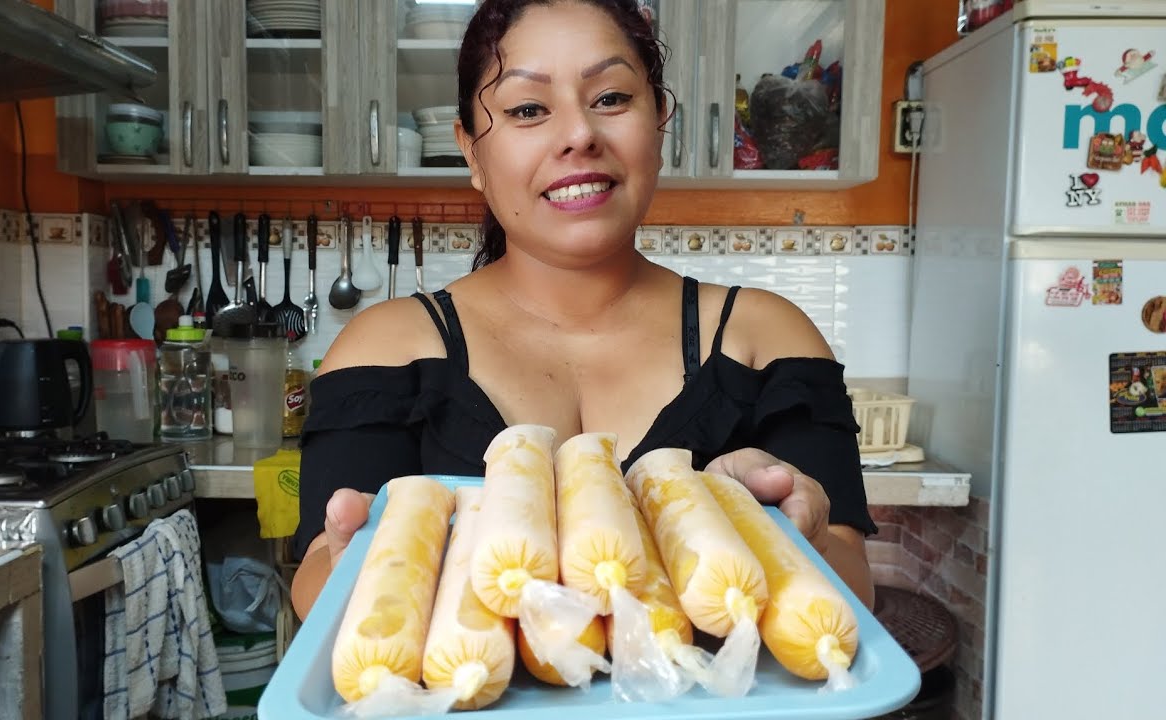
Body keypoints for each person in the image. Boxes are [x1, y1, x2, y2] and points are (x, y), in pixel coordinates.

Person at [291, 0, 877, 620]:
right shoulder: (385, 347)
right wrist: (355, 563)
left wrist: (791, 537)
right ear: (470, 152)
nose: (579, 134)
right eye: (527, 109)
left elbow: (852, 588)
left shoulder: (764, 338)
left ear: (660, 121)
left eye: (611, 99)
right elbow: (317, 585)